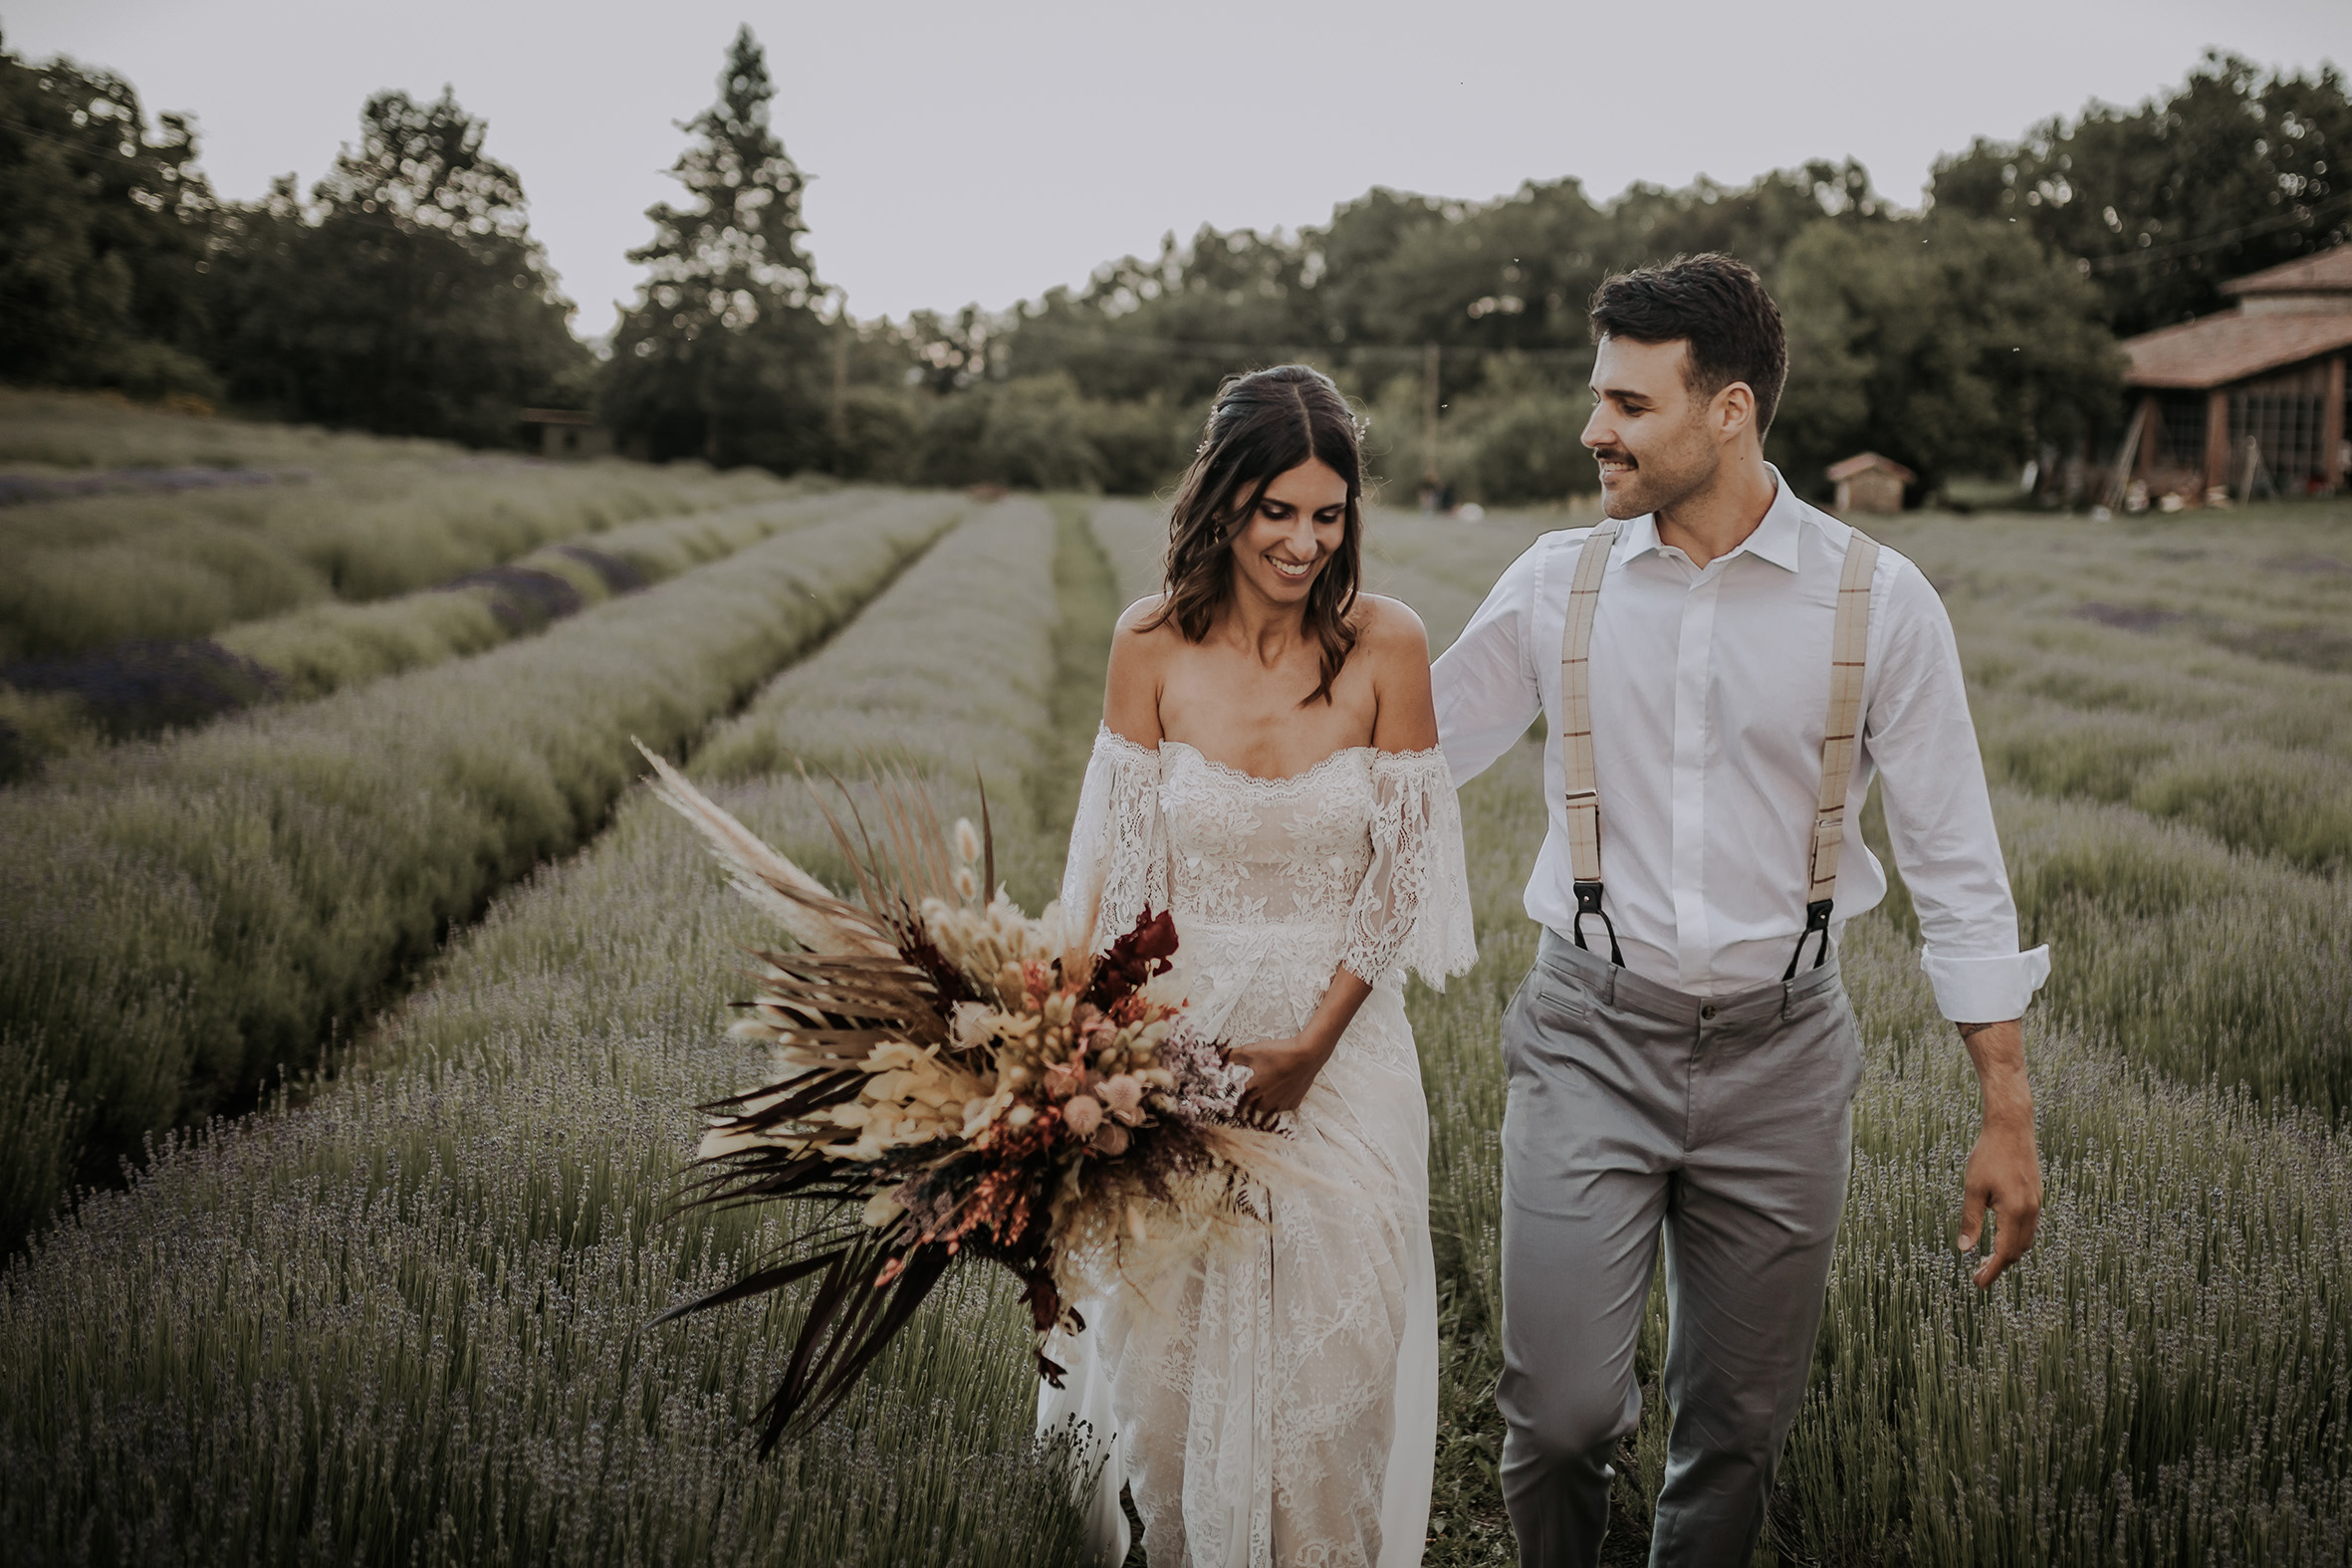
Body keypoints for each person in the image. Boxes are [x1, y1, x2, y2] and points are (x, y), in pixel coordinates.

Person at [1431, 254, 2049, 1566]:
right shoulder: (1556, 582)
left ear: (1728, 412)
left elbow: (1952, 855)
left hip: (1781, 1055)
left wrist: (2004, 1104)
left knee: (1737, 1425)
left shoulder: (1876, 600)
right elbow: (1403, 754)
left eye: (1626, 402)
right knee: (1560, 1415)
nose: (1591, 426)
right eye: (1596, 395)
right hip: (1587, 1034)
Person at [1043, 363, 1477, 1568]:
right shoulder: (1149, 643)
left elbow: (1399, 876)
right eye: (1276, 510)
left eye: (1327, 514)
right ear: (1223, 501)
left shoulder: (1389, 642)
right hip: (1183, 1047)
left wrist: (1310, 1047)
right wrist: (1118, 1067)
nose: (1302, 541)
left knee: (1329, 1386)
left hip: (1341, 1052)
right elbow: (1120, 880)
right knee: (1173, 1397)